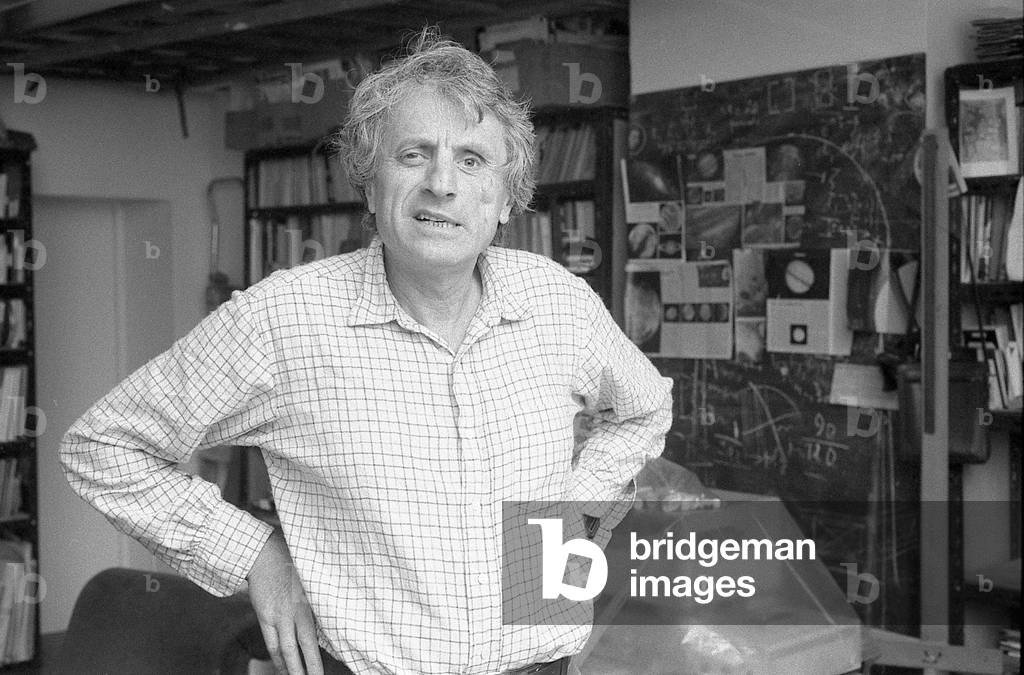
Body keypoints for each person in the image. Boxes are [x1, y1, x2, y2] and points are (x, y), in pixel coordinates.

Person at [60, 29, 673, 675]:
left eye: (472, 160)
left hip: (541, 660)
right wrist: (253, 553)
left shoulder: (557, 301)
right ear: (370, 183)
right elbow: (103, 445)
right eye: (414, 154)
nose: (443, 182)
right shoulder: (284, 318)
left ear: (505, 199)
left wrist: (575, 506)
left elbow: (642, 408)